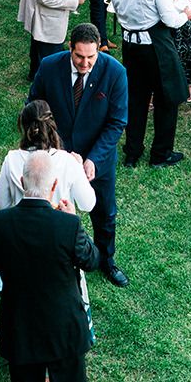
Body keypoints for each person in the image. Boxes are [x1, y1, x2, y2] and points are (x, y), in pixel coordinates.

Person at [0, 149, 99, 382]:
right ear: (54, 185)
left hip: (20, 326)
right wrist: (75, 221)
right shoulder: (68, 225)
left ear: (22, 183)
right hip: (64, 329)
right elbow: (92, 260)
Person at [30, 23, 129, 287]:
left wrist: (93, 159)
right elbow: (35, 107)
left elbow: (117, 122)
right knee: (51, 210)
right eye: (79, 57)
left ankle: (107, 261)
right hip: (56, 156)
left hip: (97, 159)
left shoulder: (115, 73)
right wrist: (58, 151)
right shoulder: (50, 66)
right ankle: (54, 260)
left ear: (99, 51)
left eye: (91, 58)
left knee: (105, 212)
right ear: (70, 48)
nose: (85, 63)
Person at [110, 0, 191, 167]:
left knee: (136, 98)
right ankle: (161, 154)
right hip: (155, 44)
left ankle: (132, 152)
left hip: (130, 46)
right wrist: (185, 15)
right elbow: (168, 19)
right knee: (167, 97)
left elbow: (117, 11)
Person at [0, 99, 97, 214]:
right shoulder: (68, 161)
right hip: (58, 228)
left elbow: (1, 203)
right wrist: (79, 167)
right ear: (51, 125)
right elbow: (88, 204)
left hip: (20, 228)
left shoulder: (11, 159)